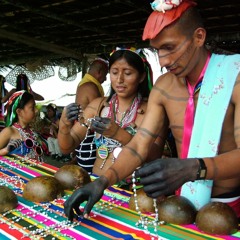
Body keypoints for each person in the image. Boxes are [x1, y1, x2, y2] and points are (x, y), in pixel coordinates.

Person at [62, 0, 240, 222]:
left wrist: (192, 169)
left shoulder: (235, 76)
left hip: (228, 205)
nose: (164, 61)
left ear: (199, 37)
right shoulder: (164, 86)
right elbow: (139, 145)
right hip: (179, 203)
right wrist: (102, 182)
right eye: (158, 51)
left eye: (170, 47)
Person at [58, 48, 162, 179]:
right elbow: (66, 147)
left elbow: (154, 156)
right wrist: (64, 125)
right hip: (98, 188)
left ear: (141, 77)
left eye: (128, 73)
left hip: (133, 191)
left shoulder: (152, 110)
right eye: (114, 72)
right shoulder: (97, 107)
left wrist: (118, 134)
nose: (119, 79)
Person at [72, 58, 109, 171]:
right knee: (90, 173)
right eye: (105, 74)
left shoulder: (86, 84)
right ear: (99, 72)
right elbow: (100, 112)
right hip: (88, 137)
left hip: (85, 135)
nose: (106, 78)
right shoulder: (90, 86)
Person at [0, 90, 44, 161]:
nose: (36, 110)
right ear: (19, 112)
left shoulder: (32, 131)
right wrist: (5, 150)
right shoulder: (9, 131)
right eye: (32, 108)